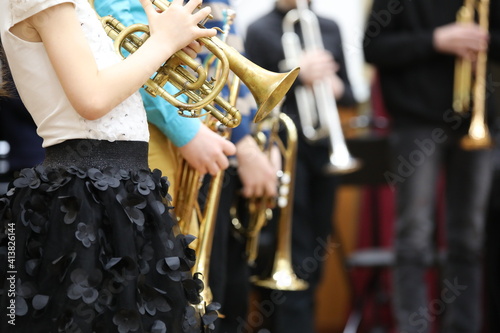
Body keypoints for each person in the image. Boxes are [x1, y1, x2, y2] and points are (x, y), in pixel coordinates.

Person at [0, 0, 236, 332]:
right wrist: (162, 41)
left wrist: (163, 47)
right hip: (89, 192)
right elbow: (92, 99)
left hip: (116, 185)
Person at [363, 1, 500, 332]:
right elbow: (373, 47)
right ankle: (414, 328)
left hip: (477, 121)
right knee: (414, 237)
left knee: (468, 239)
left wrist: (480, 40)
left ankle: (464, 327)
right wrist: (436, 40)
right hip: (415, 124)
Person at [244, 0, 356, 332]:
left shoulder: (330, 26)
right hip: (283, 151)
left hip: (324, 151)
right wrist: (296, 73)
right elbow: (253, 98)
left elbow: (349, 93)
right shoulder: (259, 30)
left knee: (315, 249)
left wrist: (336, 86)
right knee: (292, 244)